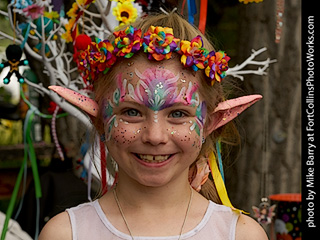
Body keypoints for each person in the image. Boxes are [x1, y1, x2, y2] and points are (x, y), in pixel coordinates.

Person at [39, 13, 268, 240]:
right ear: (100, 119)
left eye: (178, 114)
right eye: (131, 112)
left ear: (210, 122)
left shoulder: (240, 235)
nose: (155, 136)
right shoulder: (66, 234)